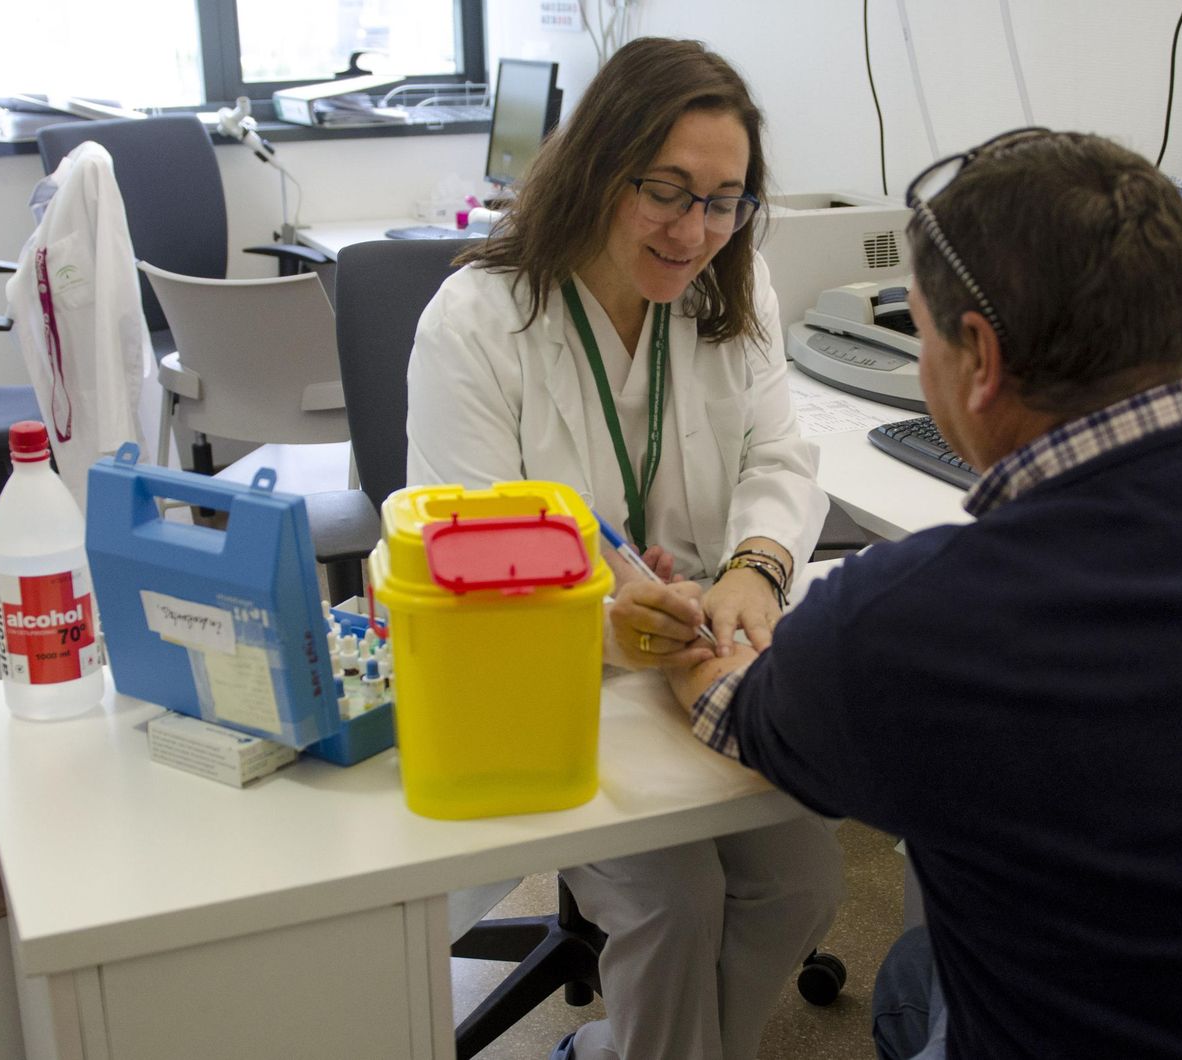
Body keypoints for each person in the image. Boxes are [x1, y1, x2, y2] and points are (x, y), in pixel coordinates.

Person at [615, 127, 1182, 1057]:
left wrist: (694, 636)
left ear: (981, 357)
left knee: (910, 978)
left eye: (920, 337)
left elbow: (736, 707)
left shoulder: (908, 622)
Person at [405, 37, 844, 1060]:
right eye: (668, 191)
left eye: (724, 198)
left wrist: (755, 568)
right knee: (678, 898)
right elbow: (459, 558)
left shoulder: (733, 290)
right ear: (602, 166)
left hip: (704, 659)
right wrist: (601, 623)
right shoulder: (477, 324)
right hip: (551, 681)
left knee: (808, 879)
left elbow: (779, 451)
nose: (695, 230)